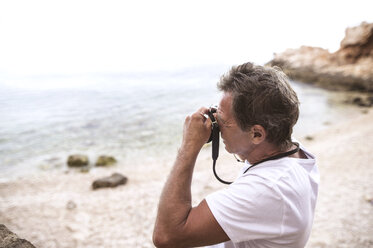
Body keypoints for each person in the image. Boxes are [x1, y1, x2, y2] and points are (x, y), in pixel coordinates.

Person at [152, 62, 319, 248]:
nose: (217, 125)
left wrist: (188, 147)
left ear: (256, 134)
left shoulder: (269, 189)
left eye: (223, 121)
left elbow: (166, 236)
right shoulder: (291, 150)